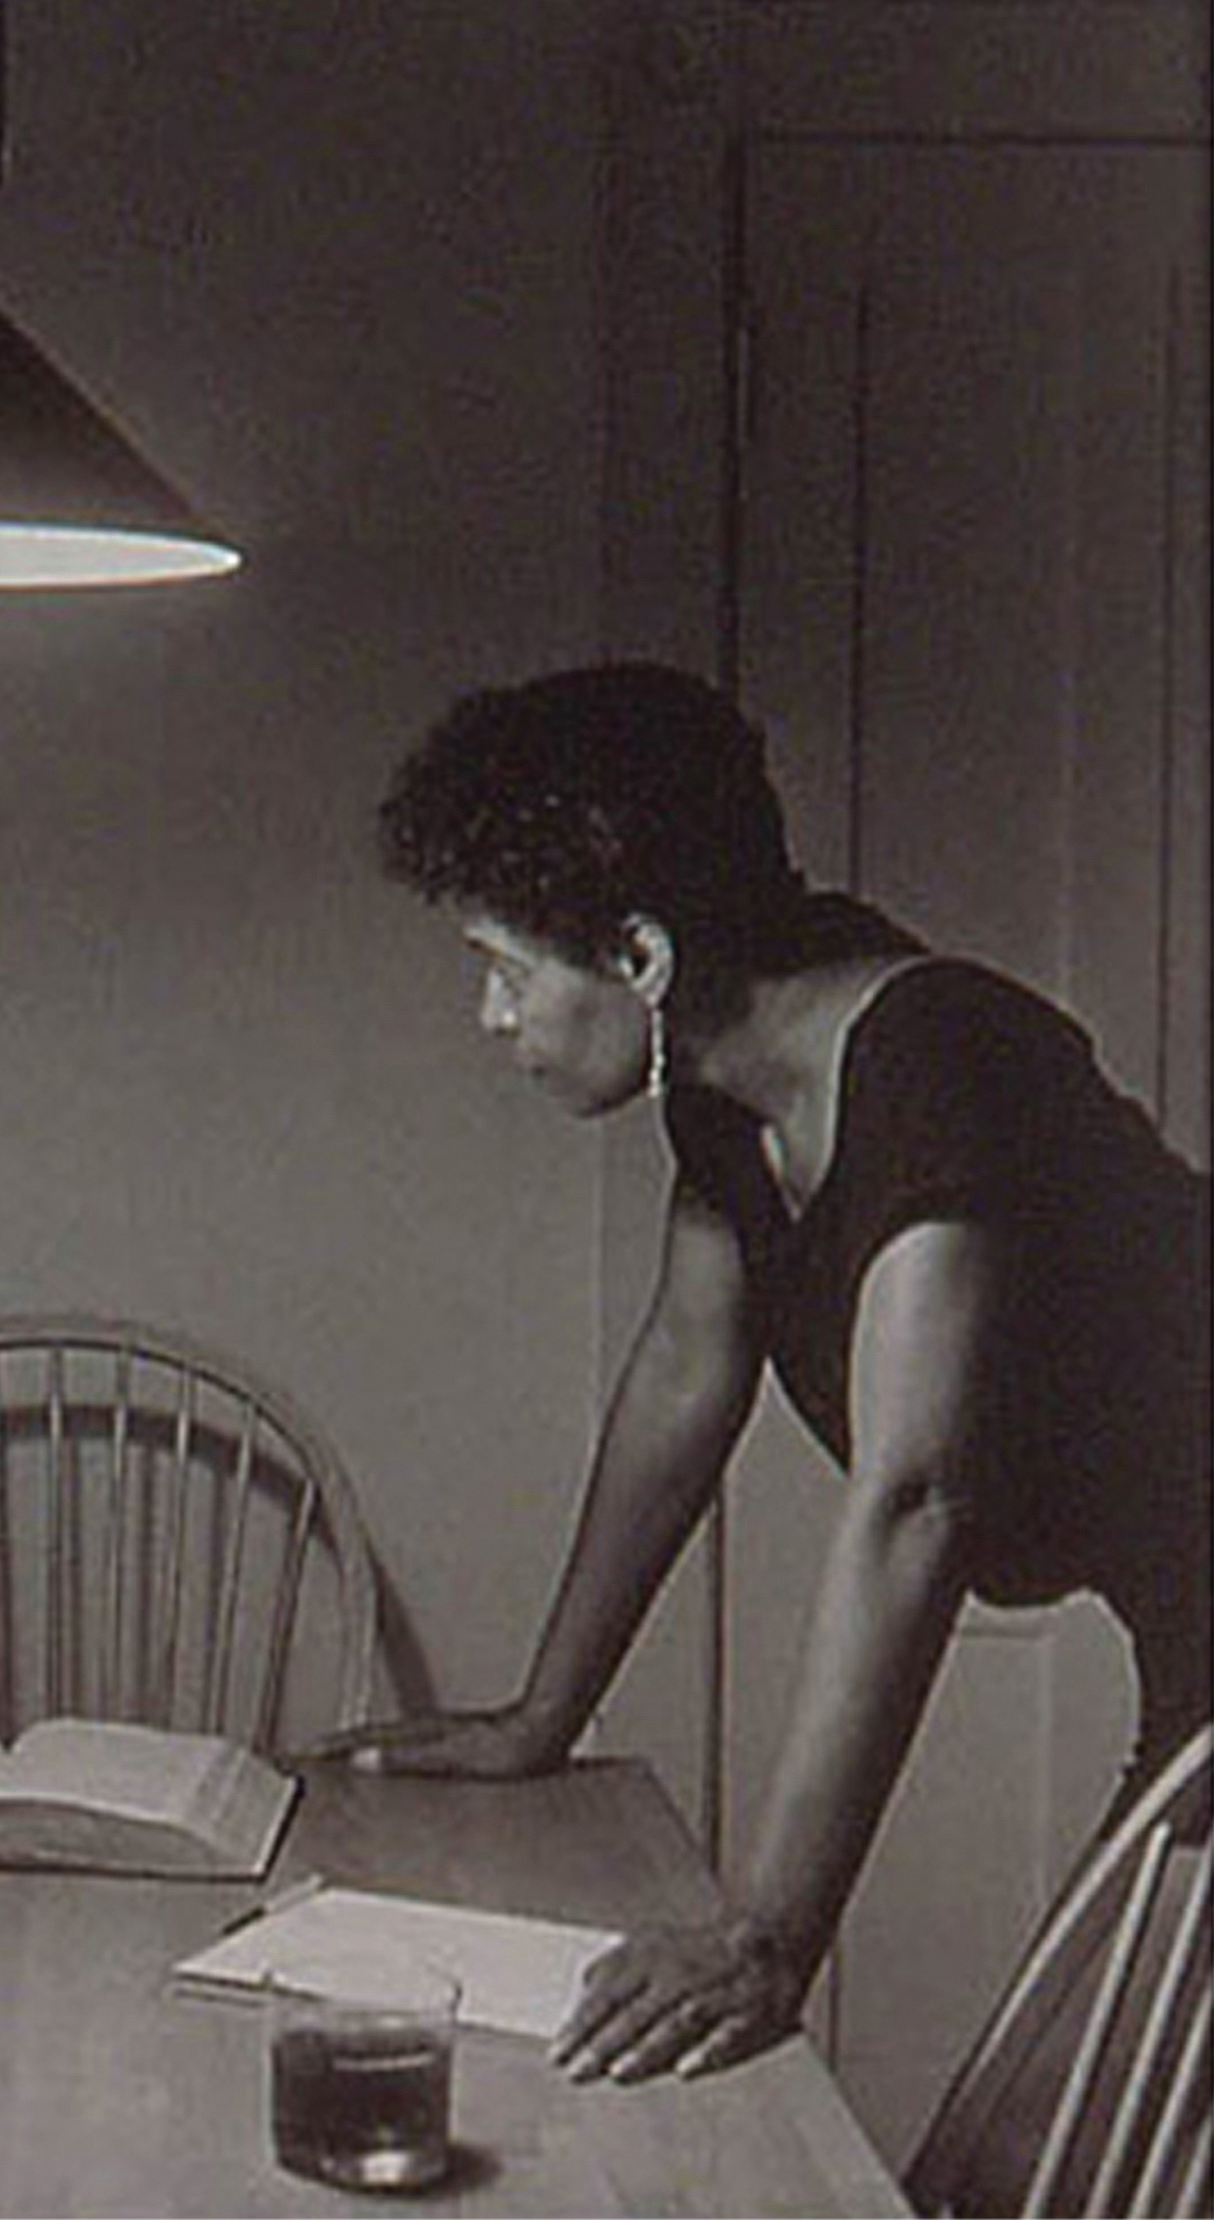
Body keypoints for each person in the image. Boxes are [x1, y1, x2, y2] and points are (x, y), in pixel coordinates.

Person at [307, 661, 1208, 2087]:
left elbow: (913, 1501)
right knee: (1049, 2125)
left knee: (1062, 2130)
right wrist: (541, 1716)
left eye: (506, 967)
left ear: (642, 958)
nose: (490, 1017)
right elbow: (679, 1379)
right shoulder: (733, 1088)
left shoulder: (931, 1057)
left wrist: (765, 1934)